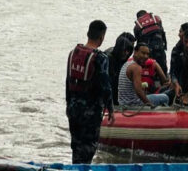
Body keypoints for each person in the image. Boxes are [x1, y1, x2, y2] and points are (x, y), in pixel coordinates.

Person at [65, 20, 115, 164]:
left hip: (73, 109)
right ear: (102, 37)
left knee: (76, 147)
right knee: (88, 148)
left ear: (88, 33)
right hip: (91, 112)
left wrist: (68, 105)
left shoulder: (73, 53)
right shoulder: (100, 58)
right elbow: (106, 86)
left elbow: (68, 81)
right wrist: (111, 109)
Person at [118, 43, 171, 107]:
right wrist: (150, 105)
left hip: (123, 103)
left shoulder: (127, 63)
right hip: (134, 103)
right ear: (135, 52)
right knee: (165, 97)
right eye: (143, 53)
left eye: (147, 54)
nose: (146, 56)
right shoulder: (137, 67)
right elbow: (138, 91)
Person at [104, 33, 135, 105]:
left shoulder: (121, 58)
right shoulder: (109, 59)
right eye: (125, 50)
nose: (126, 53)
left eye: (129, 51)